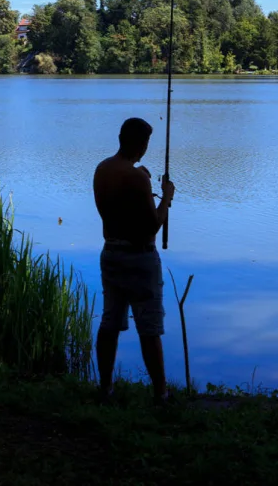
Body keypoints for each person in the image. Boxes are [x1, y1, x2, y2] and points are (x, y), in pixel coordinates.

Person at [93, 117, 175, 405]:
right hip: (139, 258)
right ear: (141, 144)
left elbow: (112, 210)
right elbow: (153, 226)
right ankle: (161, 393)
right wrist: (165, 196)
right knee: (149, 327)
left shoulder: (102, 169)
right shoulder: (138, 177)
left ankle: (105, 388)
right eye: (146, 143)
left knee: (109, 322)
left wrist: (145, 184)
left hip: (110, 253)